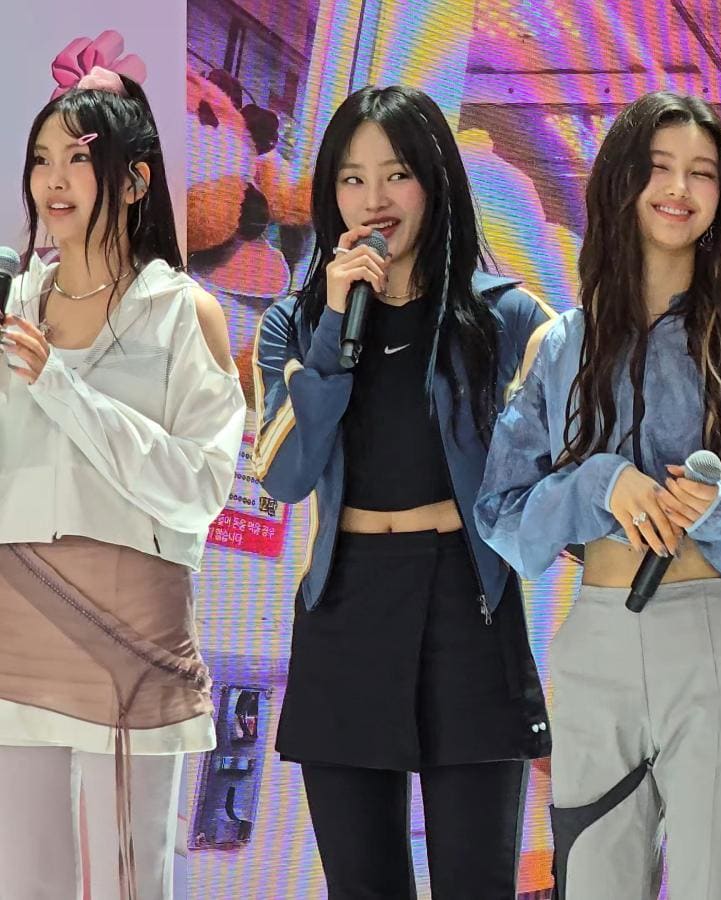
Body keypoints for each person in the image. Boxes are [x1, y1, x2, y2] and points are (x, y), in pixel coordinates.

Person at [474, 91, 721, 900]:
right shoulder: (562, 343)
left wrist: (719, 513)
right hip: (594, 642)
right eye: (660, 167)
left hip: (711, 641)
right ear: (624, 181)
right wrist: (599, 482)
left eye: (701, 172)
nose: (678, 189)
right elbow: (502, 515)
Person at [252, 85, 553, 899]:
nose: (374, 199)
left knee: (475, 883)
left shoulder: (506, 317)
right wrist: (333, 332)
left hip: (467, 605)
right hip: (345, 608)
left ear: (435, 180)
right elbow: (283, 474)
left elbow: (567, 440)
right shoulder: (294, 323)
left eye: (396, 174)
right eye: (352, 179)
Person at [0, 68, 245, 899]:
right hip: (14, 626)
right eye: (41, 158)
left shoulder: (180, 310)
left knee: (128, 878)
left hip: (129, 634)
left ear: (135, 181)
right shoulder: (14, 302)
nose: (54, 180)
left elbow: (200, 485)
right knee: (23, 878)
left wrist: (61, 387)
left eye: (79, 158)